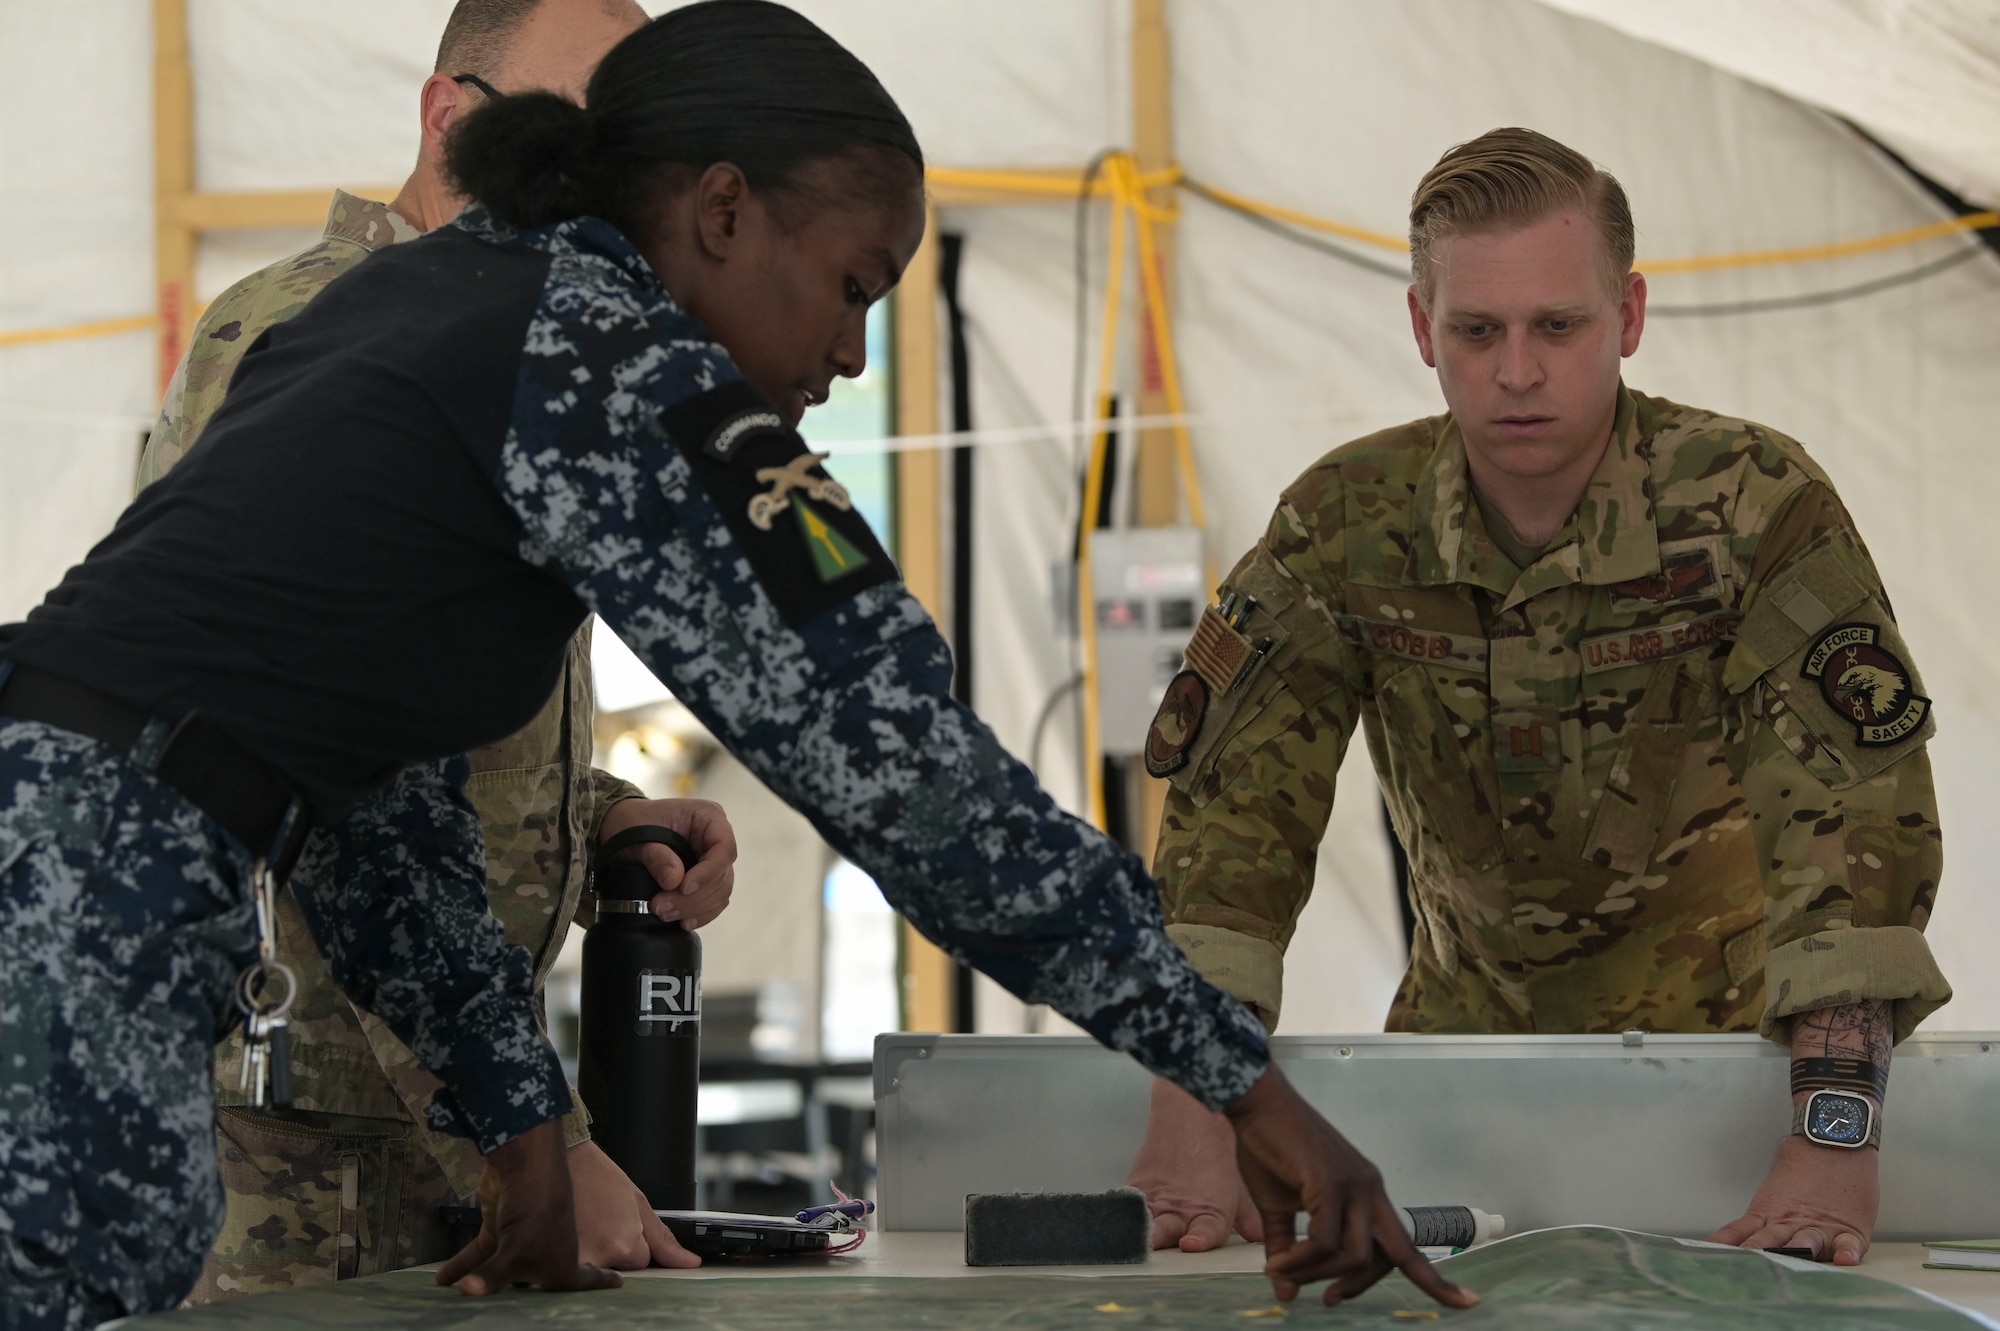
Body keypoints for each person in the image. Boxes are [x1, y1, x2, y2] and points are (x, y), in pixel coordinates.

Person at [0, 4, 1476, 1325]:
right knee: (89, 1250)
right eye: (848, 285)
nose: (845, 351)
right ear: (719, 211)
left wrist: (523, 1134)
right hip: (82, 894)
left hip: (72, 852)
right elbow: (905, 777)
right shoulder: (614, 365)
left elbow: (376, 801)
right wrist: (1247, 1084)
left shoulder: (433, 307)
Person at [1128, 126, 1948, 1267]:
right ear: (1422, 329)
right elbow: (1234, 827)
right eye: (1477, 331)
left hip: (1733, 1093)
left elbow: (1852, 826)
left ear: (1627, 316)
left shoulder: (1750, 506)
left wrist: (1832, 1130)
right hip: (1456, 1083)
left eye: (1556, 326)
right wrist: (1197, 1092)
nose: (1517, 371)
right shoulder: (1344, 522)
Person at [133, 0, 741, 1299]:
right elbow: (275, 762)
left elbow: (425, 721)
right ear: (445, 119)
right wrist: (541, 1143)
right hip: (317, 1160)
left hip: (435, 1114)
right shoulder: (320, 331)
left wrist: (594, 820)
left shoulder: (504, 340)